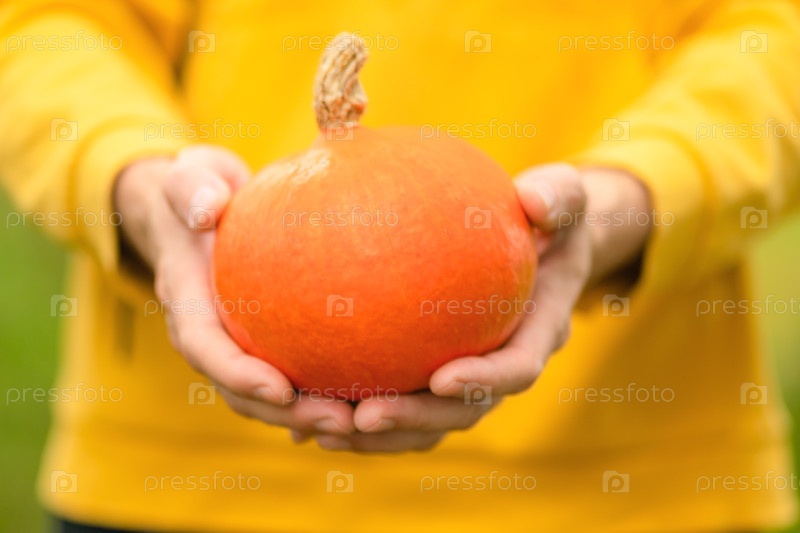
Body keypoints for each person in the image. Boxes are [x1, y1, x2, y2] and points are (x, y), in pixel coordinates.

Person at [2, 0, 799, 531]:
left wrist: (633, 199)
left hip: (637, 489)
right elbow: (46, 26)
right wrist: (137, 184)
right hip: (175, 487)